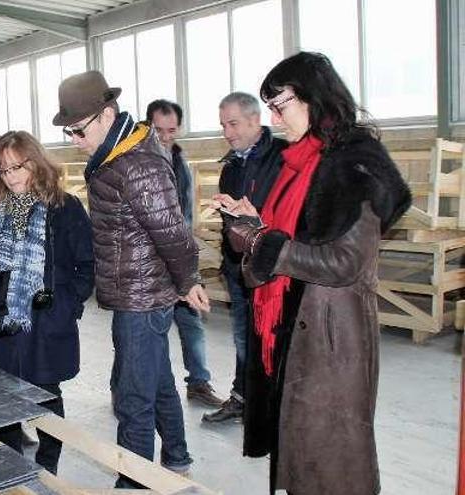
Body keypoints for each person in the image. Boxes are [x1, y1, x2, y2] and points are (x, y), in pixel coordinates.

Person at [216, 51, 411, 494]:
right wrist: (255, 222)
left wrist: (262, 242)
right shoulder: (301, 161)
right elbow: (294, 237)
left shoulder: (351, 165)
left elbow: (345, 263)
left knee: (333, 463)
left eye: (279, 105)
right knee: (305, 458)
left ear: (314, 98)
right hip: (297, 324)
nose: (273, 118)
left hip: (331, 337)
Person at [53, 71, 209, 487]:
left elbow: (172, 231)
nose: (73, 139)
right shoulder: (115, 156)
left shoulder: (135, 163)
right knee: (157, 383)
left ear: (106, 115)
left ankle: (134, 481)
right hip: (137, 291)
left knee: (132, 397)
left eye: (77, 130)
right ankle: (176, 458)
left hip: (142, 297)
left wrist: (188, 279)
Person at [0, 131, 94, 474]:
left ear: (36, 163)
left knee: (47, 394)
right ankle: (10, 466)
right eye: (3, 171)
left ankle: (47, 466)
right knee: (2, 396)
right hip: (2, 324)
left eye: (17, 167)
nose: (11, 177)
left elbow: (87, 264)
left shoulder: (65, 207)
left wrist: (67, 304)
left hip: (47, 320)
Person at [202, 92, 286, 424]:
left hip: (273, 270)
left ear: (256, 120)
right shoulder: (231, 166)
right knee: (243, 338)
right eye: (223, 125)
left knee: (272, 340)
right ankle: (243, 397)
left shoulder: (282, 159)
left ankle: (273, 406)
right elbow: (230, 224)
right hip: (239, 269)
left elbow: (286, 217)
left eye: (233, 123)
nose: (227, 132)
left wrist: (257, 224)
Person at [146, 99, 223, 408]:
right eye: (159, 130)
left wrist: (185, 268)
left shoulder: (181, 165)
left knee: (192, 323)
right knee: (144, 333)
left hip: (178, 265)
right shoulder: (136, 162)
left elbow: (186, 218)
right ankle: (126, 385)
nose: (165, 137)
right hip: (149, 269)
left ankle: (199, 383)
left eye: (171, 130)